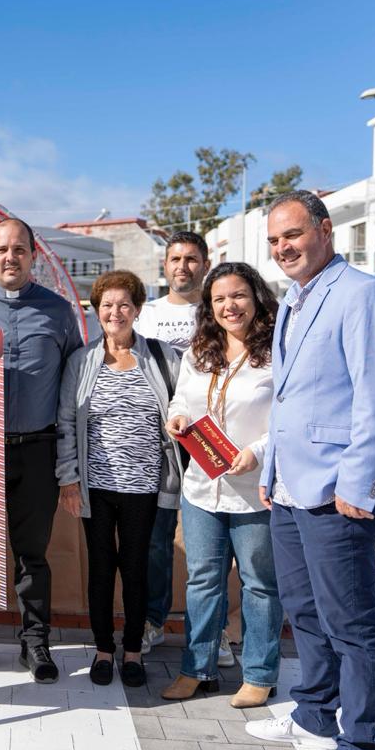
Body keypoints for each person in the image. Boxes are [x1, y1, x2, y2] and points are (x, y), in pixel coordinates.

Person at [245, 190, 375, 750]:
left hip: (339, 490)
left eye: (292, 235)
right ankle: (314, 712)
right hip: (292, 486)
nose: (283, 248)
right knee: (303, 608)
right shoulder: (294, 299)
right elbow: (290, 399)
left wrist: (358, 484)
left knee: (352, 625)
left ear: (325, 230)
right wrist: (272, 469)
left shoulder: (362, 295)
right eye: (274, 241)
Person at [0, 218, 83, 681]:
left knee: (32, 553)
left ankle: (36, 642)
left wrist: (70, 463)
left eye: (19, 249)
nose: (11, 257)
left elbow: (73, 385)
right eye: (2, 249)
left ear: (33, 256)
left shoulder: (58, 312)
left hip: (38, 450)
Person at [162, 262, 282, 706]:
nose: (230, 306)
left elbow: (290, 419)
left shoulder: (278, 353)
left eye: (238, 296)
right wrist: (177, 417)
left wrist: (259, 452)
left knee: (258, 584)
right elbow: (181, 398)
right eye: (219, 299)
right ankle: (197, 669)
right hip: (201, 489)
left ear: (257, 299)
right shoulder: (199, 351)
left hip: (254, 492)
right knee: (202, 582)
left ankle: (260, 674)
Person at [56, 270, 181, 687]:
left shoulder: (162, 358)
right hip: (96, 487)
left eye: (124, 304)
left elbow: (183, 408)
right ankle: (103, 650)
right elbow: (66, 423)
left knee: (136, 568)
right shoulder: (81, 362)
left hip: (145, 487)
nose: (115, 312)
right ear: (96, 311)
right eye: (107, 305)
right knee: (100, 569)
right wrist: (68, 480)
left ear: (137, 309)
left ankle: (132, 651)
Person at [134, 231, 232, 665]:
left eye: (191, 259)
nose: (182, 267)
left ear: (205, 264)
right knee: (157, 540)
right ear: (165, 265)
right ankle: (153, 620)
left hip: (209, 438)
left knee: (213, 543)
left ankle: (214, 630)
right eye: (175, 259)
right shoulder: (147, 314)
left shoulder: (220, 309)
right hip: (158, 441)